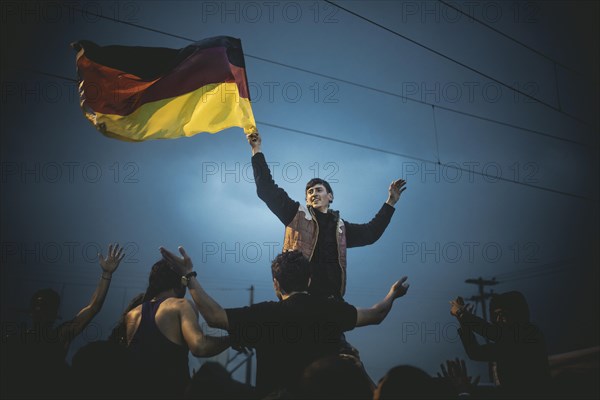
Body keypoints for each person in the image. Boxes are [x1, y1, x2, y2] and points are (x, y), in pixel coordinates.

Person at [160, 246, 410, 397]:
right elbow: (377, 314)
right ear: (309, 280)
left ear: (276, 284)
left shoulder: (264, 315)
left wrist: (189, 276)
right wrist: (392, 294)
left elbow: (213, 317)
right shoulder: (331, 310)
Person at [247, 131, 407, 301]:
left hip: (331, 303)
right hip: (298, 300)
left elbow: (370, 233)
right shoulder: (296, 214)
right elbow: (266, 189)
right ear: (307, 199)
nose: (314, 194)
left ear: (330, 196)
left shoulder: (341, 228)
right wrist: (256, 149)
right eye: (309, 192)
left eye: (318, 190)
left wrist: (390, 202)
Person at [1, 243, 126, 398]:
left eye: (45, 307)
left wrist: (106, 274)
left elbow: (93, 307)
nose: (40, 311)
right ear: (31, 310)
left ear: (54, 313)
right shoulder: (15, 339)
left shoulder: (60, 335)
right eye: (37, 305)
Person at [124, 258, 231, 398]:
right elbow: (200, 346)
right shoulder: (181, 305)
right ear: (180, 282)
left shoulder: (132, 314)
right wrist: (233, 339)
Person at [450, 292, 551, 397]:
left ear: (518, 314)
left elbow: (491, 332)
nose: (498, 320)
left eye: (503, 314)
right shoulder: (508, 343)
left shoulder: (530, 334)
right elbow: (475, 352)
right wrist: (463, 322)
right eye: (495, 315)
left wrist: (462, 314)